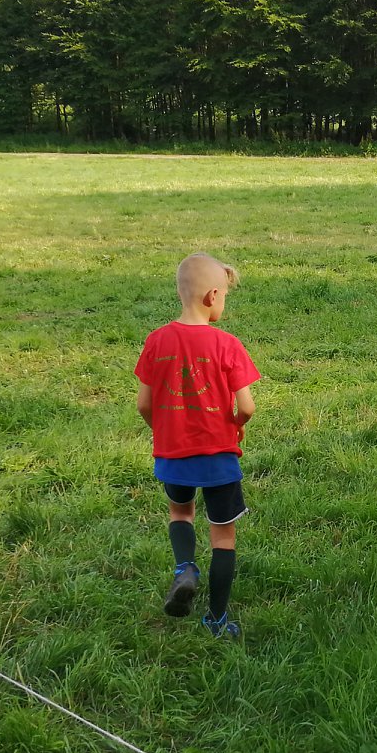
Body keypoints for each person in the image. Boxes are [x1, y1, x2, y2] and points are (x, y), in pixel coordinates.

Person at [134, 252, 259, 639]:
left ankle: (185, 567)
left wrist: (163, 430)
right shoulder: (227, 344)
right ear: (212, 296)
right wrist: (236, 425)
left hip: (173, 456)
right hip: (218, 457)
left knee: (181, 512)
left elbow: (143, 403)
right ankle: (217, 620)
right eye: (225, 297)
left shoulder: (157, 341)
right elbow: (247, 407)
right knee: (223, 536)